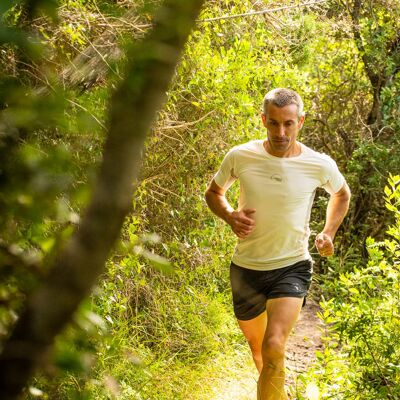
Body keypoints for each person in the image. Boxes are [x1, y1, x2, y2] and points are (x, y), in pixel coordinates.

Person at [204, 88, 351, 400]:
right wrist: (231, 216)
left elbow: (341, 194)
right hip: (246, 269)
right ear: (263, 120)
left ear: (301, 121)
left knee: (274, 346)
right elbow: (213, 193)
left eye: (288, 123)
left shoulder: (317, 163)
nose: (281, 132)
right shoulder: (240, 155)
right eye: (273, 123)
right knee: (261, 355)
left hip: (292, 266)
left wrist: (329, 231)